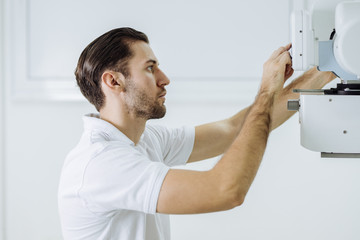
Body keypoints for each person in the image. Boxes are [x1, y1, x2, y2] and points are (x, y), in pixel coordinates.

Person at [58, 27, 335, 239]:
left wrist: (330, 68)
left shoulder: (144, 140)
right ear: (114, 81)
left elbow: (233, 130)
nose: (165, 79)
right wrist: (265, 91)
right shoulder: (101, 163)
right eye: (150, 68)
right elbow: (225, 190)